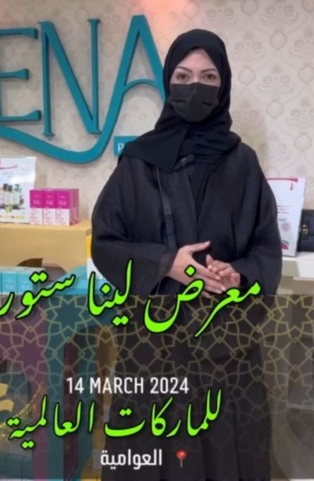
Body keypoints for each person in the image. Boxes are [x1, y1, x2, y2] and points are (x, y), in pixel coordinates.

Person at [91, 29, 282, 481]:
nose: (195, 86)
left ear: (223, 84)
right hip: (154, 346)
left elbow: (265, 247)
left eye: (208, 76)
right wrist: (166, 264)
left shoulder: (243, 163)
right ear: (168, 82)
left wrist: (238, 275)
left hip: (226, 345)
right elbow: (105, 243)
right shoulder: (138, 161)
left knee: (225, 454)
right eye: (183, 75)